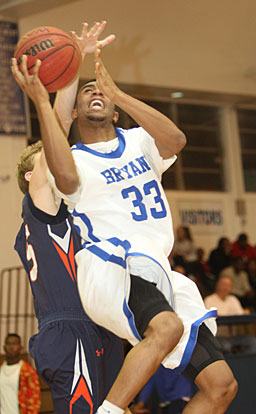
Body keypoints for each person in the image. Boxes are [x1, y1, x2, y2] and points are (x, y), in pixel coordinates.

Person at [11, 39, 237, 414]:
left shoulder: (138, 141)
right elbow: (63, 174)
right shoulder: (73, 162)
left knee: (222, 386)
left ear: (116, 113)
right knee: (165, 328)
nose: (95, 93)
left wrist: (118, 92)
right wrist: (50, 92)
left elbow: (176, 140)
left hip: (156, 269)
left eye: (101, 92)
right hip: (113, 266)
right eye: (86, 92)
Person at [13, 22, 124, 414]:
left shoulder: (72, 210)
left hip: (99, 324)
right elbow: (56, 133)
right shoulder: (40, 207)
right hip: (67, 328)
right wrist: (68, 72)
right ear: (32, 177)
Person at [204, 276, 256, 355]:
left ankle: (242, 364)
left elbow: (241, 315)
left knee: (253, 342)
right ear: (217, 285)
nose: (226, 287)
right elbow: (209, 319)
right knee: (226, 346)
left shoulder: (233, 299)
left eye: (228, 285)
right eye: (224, 284)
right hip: (217, 336)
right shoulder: (209, 300)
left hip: (233, 336)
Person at [0, 333, 40, 414]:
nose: (11, 347)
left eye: (14, 344)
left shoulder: (28, 372)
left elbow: (34, 401)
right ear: (4, 347)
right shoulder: (1, 369)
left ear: (20, 347)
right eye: (8, 344)